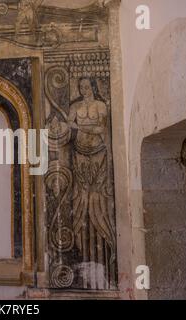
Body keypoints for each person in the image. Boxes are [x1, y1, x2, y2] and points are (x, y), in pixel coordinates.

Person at [67, 77, 116, 290]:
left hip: (98, 155)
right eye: (81, 87)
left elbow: (100, 129)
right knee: (80, 198)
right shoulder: (75, 106)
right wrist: (86, 126)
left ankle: (106, 256)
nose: (84, 89)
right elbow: (69, 123)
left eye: (87, 86)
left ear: (93, 87)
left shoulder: (101, 105)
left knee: (99, 198)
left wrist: (82, 126)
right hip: (79, 154)